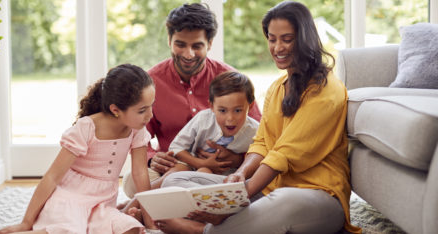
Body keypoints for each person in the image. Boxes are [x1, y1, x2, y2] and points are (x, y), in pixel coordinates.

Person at [154, 1, 361, 234]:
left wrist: (236, 200)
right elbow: (261, 142)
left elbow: (283, 155)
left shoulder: (326, 90)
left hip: (316, 196)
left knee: (284, 203)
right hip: (268, 189)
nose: (277, 47)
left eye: (287, 39)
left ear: (304, 39)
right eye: (272, 39)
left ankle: (201, 231)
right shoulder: (277, 87)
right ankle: (227, 221)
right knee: (176, 182)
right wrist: (240, 174)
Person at [0, 64, 158, 234]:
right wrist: (26, 222)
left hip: (102, 204)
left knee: (130, 229)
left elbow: (140, 175)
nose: (150, 115)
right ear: (115, 110)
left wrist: (150, 222)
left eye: (151, 106)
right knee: (69, 231)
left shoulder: (137, 129)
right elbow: (52, 177)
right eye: (142, 110)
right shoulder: (87, 128)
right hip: (70, 199)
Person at [121, 3, 261, 199]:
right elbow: (134, 134)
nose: (188, 54)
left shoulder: (231, 81)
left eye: (197, 46)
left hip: (223, 170)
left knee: (254, 182)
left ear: (210, 44)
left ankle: (161, 204)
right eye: (180, 44)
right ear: (169, 40)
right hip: (174, 166)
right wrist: (152, 159)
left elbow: (261, 137)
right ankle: (177, 203)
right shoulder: (150, 83)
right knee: (130, 182)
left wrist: (238, 159)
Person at [158, 71, 259, 184]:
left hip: (228, 174)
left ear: (250, 106)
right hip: (191, 162)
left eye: (237, 110)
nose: (230, 118)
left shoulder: (255, 131)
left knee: (204, 171)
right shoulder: (203, 119)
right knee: (173, 174)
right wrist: (200, 163)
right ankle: (140, 198)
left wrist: (236, 160)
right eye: (222, 110)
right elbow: (176, 147)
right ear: (211, 106)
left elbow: (260, 158)